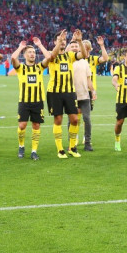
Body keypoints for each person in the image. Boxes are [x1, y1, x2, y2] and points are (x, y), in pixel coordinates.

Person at [11, 33, 64, 161]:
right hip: (24, 101)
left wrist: (39, 45)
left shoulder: (40, 67)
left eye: (33, 52)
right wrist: (20, 47)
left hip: (38, 102)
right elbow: (13, 58)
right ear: (25, 55)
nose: (32, 54)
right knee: (22, 125)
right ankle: (21, 146)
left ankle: (34, 151)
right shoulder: (20, 68)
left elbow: (50, 57)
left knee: (36, 126)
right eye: (29, 52)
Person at [36, 31, 86, 159]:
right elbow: (52, 56)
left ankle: (72, 148)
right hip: (54, 92)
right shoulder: (51, 54)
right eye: (59, 39)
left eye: (64, 40)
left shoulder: (70, 55)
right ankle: (60, 150)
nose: (63, 41)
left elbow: (84, 55)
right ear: (55, 42)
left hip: (69, 92)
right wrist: (59, 42)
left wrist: (80, 41)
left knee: (74, 119)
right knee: (58, 120)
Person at [73, 46, 96, 151]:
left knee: (87, 119)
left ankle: (87, 143)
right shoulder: (69, 61)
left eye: (76, 46)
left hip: (85, 95)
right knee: (73, 120)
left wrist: (93, 91)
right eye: (73, 46)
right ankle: (72, 142)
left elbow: (88, 79)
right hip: (72, 95)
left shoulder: (85, 63)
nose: (74, 48)